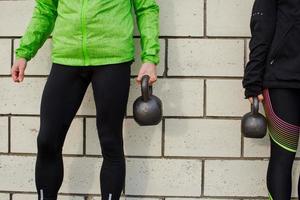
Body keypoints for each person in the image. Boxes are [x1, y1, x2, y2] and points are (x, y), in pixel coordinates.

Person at [11, 0, 160, 199]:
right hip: (67, 58)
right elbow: (46, 9)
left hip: (112, 59)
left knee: (110, 142)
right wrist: (24, 52)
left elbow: (146, 8)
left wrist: (150, 58)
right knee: (47, 140)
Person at [243, 0, 300, 199]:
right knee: (282, 158)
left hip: (281, 79)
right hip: (281, 83)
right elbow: (262, 26)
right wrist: (253, 80)